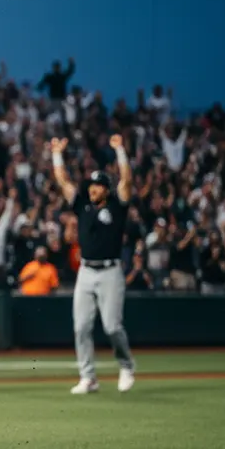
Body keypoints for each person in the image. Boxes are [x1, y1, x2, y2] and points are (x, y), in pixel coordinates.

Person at [50, 135, 136, 394]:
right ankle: (88, 377)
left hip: (110, 271)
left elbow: (128, 181)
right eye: (91, 186)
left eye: (97, 186)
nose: (92, 189)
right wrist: (56, 154)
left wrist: (120, 150)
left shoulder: (118, 207)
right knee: (81, 326)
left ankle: (126, 365)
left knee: (112, 326)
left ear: (106, 189)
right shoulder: (83, 207)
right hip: (86, 271)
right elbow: (63, 182)